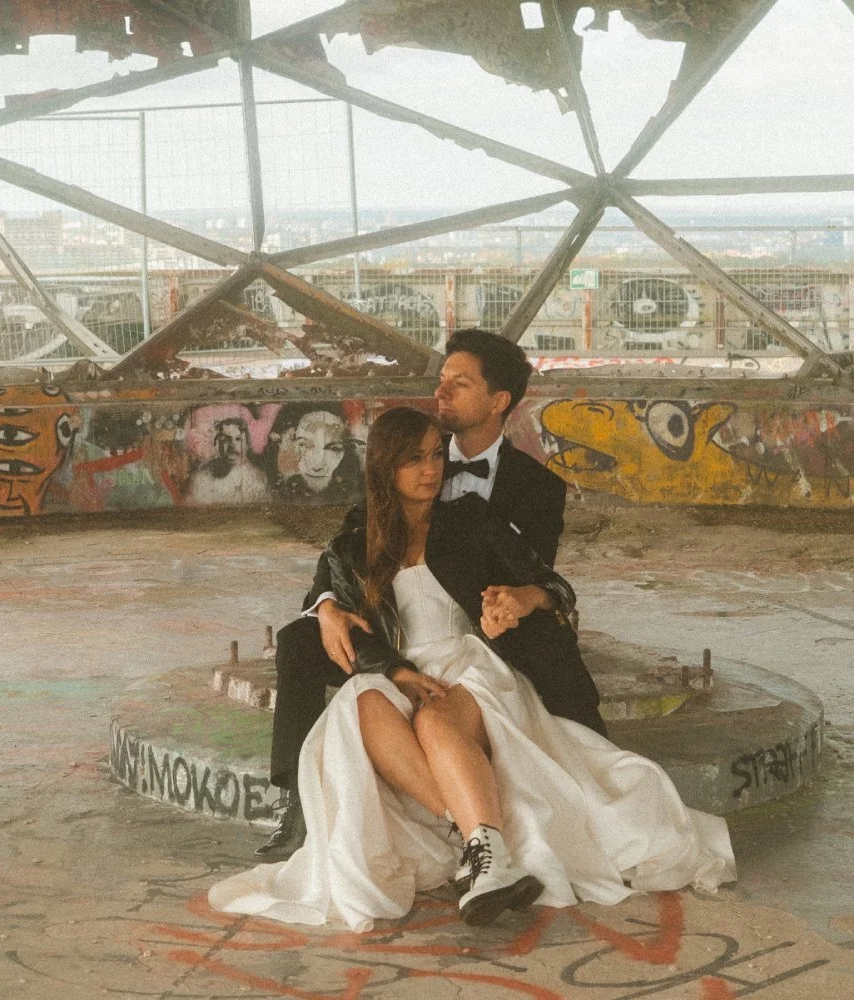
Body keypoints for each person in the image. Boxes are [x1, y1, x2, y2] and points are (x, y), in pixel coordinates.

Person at [208, 407, 736, 931]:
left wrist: (521, 600)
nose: (431, 469)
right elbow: (336, 603)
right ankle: (477, 839)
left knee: (435, 721)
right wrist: (369, 649)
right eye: (414, 459)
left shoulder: (471, 521)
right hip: (399, 669)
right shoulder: (355, 540)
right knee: (361, 703)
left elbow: (555, 587)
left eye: (436, 455)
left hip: (470, 663)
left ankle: (484, 856)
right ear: (385, 467)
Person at [259, 329, 606, 860]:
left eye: (458, 384)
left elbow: (536, 572)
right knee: (299, 641)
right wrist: (325, 607)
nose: (440, 393)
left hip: (482, 630)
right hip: (401, 629)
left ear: (498, 401)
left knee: (546, 644)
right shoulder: (410, 454)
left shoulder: (537, 486)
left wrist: (516, 604)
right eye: (440, 381)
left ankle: (584, 770)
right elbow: (350, 546)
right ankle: (297, 803)